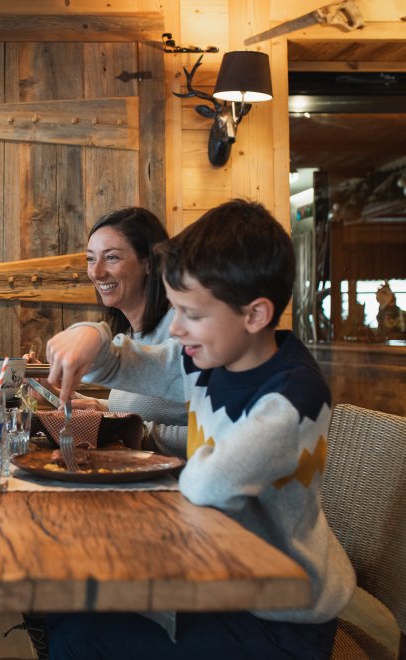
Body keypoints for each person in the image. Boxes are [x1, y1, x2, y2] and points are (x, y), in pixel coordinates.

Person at [44, 199, 355, 659]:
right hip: (221, 581)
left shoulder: (291, 401)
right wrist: (92, 334)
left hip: (278, 619)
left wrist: (177, 437)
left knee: (78, 638)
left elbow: (205, 483)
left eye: (191, 314)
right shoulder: (215, 358)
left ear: (254, 315)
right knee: (65, 608)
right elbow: (125, 363)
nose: (176, 330)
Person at [28, 207, 188, 454]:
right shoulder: (132, 333)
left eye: (111, 257)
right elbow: (138, 409)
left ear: (148, 263)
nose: (96, 272)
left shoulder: (183, 331)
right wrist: (64, 397)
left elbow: (212, 435)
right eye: (91, 258)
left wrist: (131, 431)